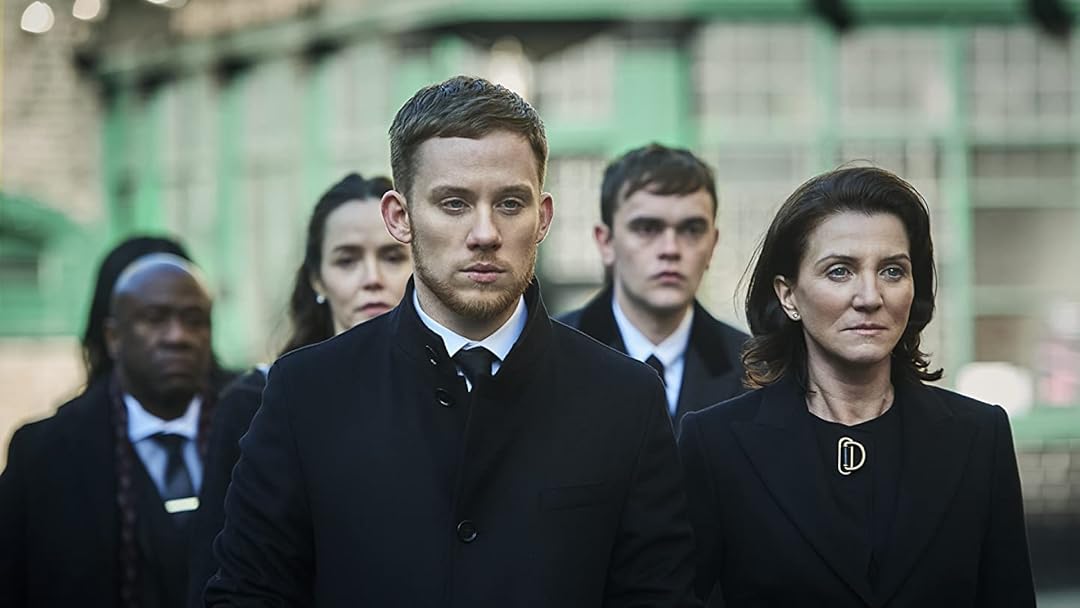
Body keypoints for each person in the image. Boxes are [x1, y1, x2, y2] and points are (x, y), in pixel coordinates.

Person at [205, 75, 696, 606]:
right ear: (400, 217)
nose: (485, 234)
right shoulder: (307, 392)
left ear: (543, 217)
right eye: (454, 203)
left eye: (510, 203)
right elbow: (249, 594)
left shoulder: (624, 398)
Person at [677, 167, 1035, 607]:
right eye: (840, 271)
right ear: (788, 295)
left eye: (892, 271)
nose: (869, 297)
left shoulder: (978, 436)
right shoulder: (715, 444)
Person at [187, 172, 407, 604]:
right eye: (347, 260)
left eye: (393, 256)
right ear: (317, 279)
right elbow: (219, 579)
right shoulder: (255, 404)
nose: (372, 278)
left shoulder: (451, 392)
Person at [1, 254, 232, 608]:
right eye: (154, 318)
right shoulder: (45, 454)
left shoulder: (254, 432)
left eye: (194, 320)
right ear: (113, 337)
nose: (177, 337)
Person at [560, 143, 748, 425]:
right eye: (647, 228)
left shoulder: (754, 370)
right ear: (606, 242)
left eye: (692, 229)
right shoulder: (549, 358)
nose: (670, 249)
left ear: (713, 244)